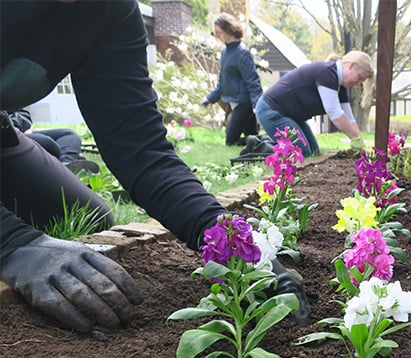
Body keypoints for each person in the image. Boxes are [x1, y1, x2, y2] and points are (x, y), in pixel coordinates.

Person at [0, 0, 309, 334]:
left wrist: (222, 233)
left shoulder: (109, 11)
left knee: (87, 214)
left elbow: (140, 148)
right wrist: (11, 243)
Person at [254, 50, 374, 157]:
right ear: (351, 66)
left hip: (291, 116)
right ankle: (259, 147)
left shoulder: (340, 85)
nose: (358, 84)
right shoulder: (327, 73)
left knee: (314, 152)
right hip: (272, 111)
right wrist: (354, 138)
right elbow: (335, 113)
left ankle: (271, 145)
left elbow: (349, 118)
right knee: (302, 153)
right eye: (359, 78)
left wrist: (361, 143)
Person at [200, 12, 263, 147]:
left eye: (220, 32)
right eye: (215, 33)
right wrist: (209, 98)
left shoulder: (242, 53)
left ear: (230, 29)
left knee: (231, 141)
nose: (217, 36)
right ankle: (269, 145)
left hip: (244, 103)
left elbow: (252, 81)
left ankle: (272, 143)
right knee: (252, 138)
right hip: (234, 102)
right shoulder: (225, 53)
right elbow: (222, 83)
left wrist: (257, 105)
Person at [8, 109, 99, 174]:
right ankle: (65, 167)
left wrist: (18, 126)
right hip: (8, 138)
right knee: (48, 144)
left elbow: (23, 114)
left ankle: (66, 164)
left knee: (69, 135)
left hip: (19, 132)